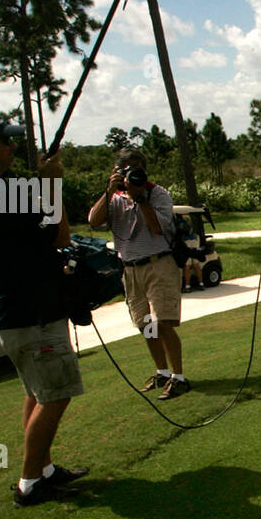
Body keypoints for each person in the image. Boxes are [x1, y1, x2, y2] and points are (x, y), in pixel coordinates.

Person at [0, 110, 89, 508]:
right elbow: (59, 236)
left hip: (16, 308)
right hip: (32, 309)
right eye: (4, 141)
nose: (12, 146)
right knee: (56, 394)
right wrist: (53, 187)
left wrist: (40, 185)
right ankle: (31, 482)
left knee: (37, 390)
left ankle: (42, 468)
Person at [88, 148, 189, 400]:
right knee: (146, 325)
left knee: (163, 322)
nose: (131, 175)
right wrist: (110, 191)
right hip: (131, 268)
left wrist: (140, 197)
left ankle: (179, 377)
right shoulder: (114, 198)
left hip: (158, 264)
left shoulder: (158, 194)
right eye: (126, 170)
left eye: (136, 170)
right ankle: (162, 372)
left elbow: (158, 227)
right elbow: (94, 220)